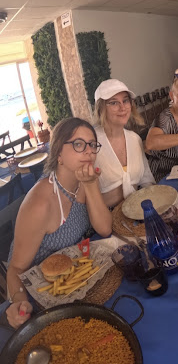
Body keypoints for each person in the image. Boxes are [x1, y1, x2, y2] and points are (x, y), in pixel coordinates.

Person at [6, 117, 112, 329]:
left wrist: (91, 185)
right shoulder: (40, 203)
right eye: (78, 144)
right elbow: (16, 267)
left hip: (73, 278)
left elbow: (104, 229)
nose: (89, 152)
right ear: (59, 154)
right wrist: (19, 302)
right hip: (41, 292)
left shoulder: (85, 178)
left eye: (92, 145)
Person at [93, 79, 155, 208]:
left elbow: (146, 179)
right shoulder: (92, 143)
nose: (122, 108)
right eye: (114, 103)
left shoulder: (135, 139)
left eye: (125, 101)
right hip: (107, 216)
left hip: (137, 210)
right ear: (101, 108)